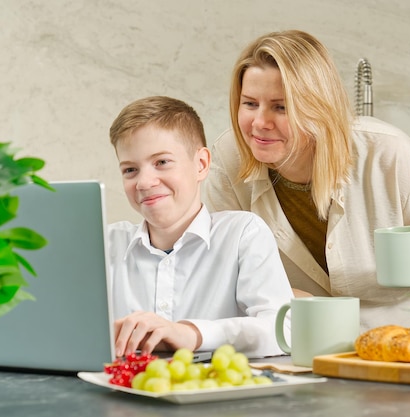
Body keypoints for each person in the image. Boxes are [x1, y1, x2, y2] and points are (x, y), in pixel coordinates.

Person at [202, 30, 410, 330]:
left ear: (317, 108)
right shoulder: (227, 160)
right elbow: (225, 275)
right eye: (250, 103)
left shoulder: (388, 154)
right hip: (307, 337)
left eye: (281, 107)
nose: (260, 123)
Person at [107, 95, 293, 359]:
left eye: (162, 162)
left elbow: (283, 330)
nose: (144, 182)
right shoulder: (106, 243)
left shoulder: (242, 234)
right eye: (130, 170)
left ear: (201, 164)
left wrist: (192, 334)